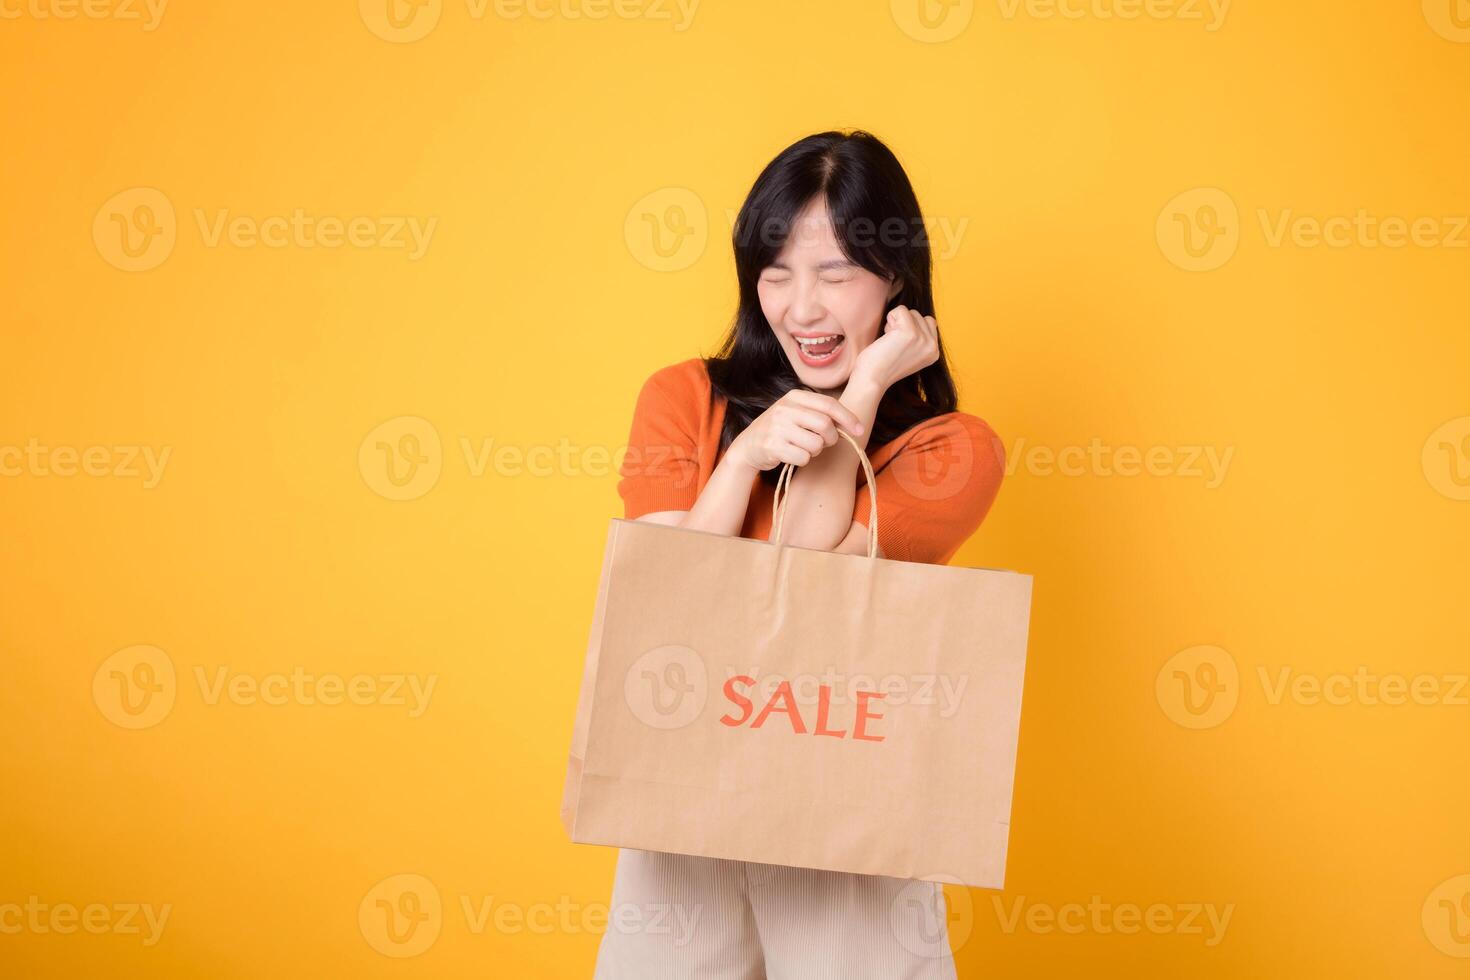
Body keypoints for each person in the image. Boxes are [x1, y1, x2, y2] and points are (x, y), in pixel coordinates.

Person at [596, 130, 1006, 979]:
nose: (800, 308)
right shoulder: (684, 398)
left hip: (849, 829)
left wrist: (860, 391)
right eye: (775, 272)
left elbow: (808, 573)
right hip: (679, 812)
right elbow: (667, 599)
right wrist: (743, 460)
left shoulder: (954, 449)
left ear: (895, 280)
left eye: (834, 274)